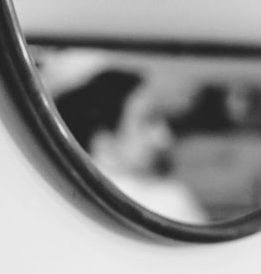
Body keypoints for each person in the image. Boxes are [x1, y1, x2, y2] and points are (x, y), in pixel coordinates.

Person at [51, 67, 207, 224]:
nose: (164, 137)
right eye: (148, 121)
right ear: (104, 144)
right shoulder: (167, 201)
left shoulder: (60, 203)